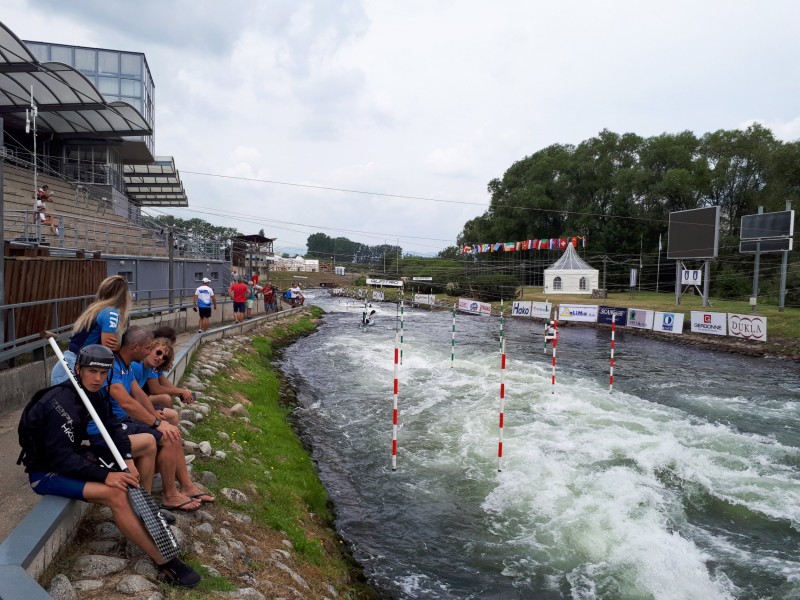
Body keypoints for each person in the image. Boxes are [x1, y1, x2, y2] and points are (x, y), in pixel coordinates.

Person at [18, 344, 201, 587]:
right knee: (115, 491)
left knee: (126, 477)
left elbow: (113, 427)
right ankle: (165, 563)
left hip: (71, 457)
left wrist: (126, 461)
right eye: (92, 371)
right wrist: (105, 476)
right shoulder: (57, 404)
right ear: (78, 369)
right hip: (47, 472)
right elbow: (61, 459)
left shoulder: (96, 394)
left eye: (103, 373)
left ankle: (142, 517)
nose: (98, 379)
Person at [101, 326, 213, 512]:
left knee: (171, 432)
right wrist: (156, 423)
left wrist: (157, 419)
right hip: (115, 425)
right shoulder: (113, 366)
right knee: (167, 436)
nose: (150, 353)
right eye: (148, 348)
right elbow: (127, 403)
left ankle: (184, 487)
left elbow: (139, 395)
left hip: (125, 421)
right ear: (135, 347)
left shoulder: (126, 365)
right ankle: (169, 495)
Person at [51, 275, 131, 386]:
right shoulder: (111, 313)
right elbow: (107, 349)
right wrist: (118, 347)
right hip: (77, 368)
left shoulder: (95, 308)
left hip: (67, 364)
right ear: (124, 296)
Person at [147, 327, 195, 406]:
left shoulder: (155, 364)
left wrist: (181, 392)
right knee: (165, 399)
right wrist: (180, 391)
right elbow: (155, 389)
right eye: (173, 345)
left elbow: (162, 381)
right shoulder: (150, 363)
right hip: (139, 397)